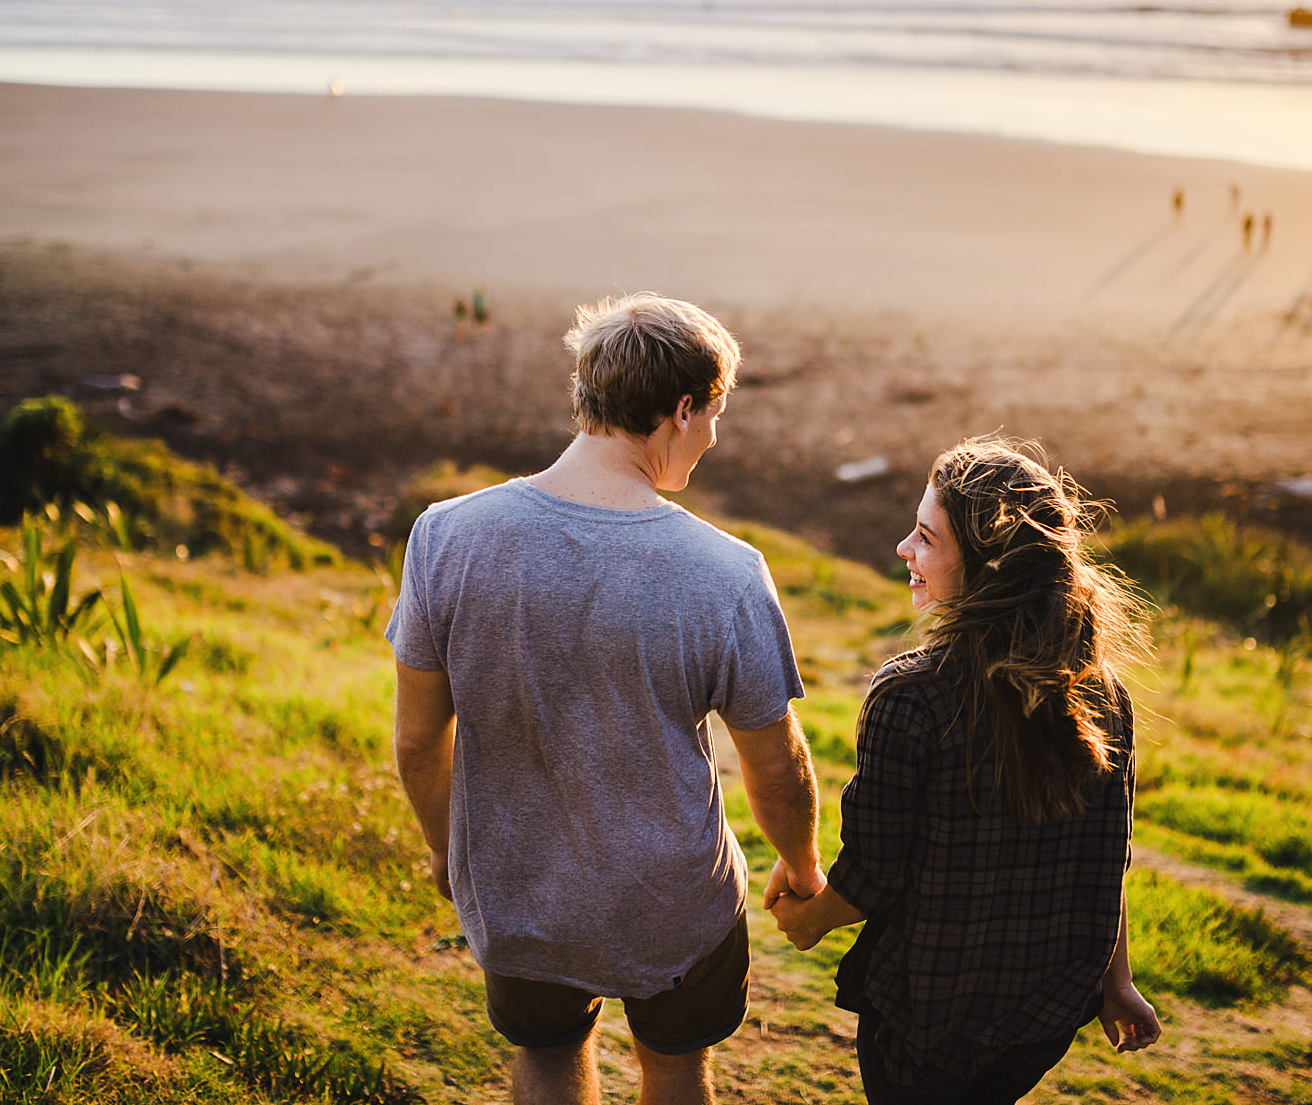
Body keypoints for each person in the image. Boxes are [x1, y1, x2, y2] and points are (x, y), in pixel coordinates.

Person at [389, 293, 823, 1105]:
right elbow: (776, 765)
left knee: (549, 1057)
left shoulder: (445, 535)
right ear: (682, 407)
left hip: (518, 892)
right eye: (714, 414)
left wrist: (451, 855)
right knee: (676, 1069)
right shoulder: (725, 571)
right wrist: (801, 867)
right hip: (677, 906)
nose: (714, 437)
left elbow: (416, 741)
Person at [768, 440, 1160, 1103]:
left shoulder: (910, 696)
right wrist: (1113, 981)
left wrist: (808, 921)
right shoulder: (1101, 693)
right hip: (1040, 1017)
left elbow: (872, 876)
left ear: (986, 569)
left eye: (925, 537)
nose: (903, 549)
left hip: (927, 1020)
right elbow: (1106, 858)